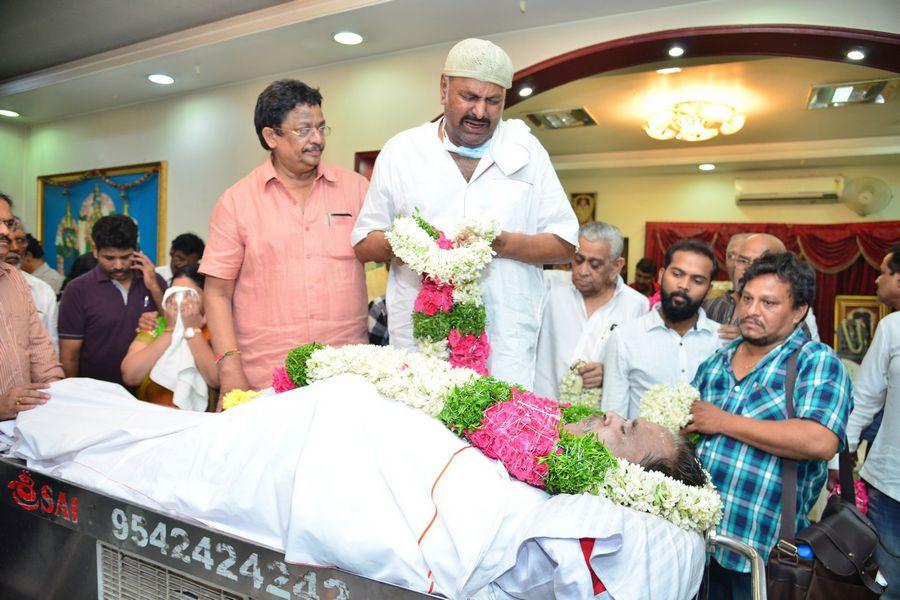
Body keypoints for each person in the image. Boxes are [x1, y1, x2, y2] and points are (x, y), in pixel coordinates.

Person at [351, 38, 579, 388]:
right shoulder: (402, 152)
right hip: (421, 339)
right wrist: (415, 247)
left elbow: (564, 243)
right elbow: (364, 243)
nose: (480, 113)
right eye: (469, 97)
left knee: (497, 435)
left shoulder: (528, 152)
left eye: (493, 101)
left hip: (505, 340)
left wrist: (500, 244)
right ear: (443, 88)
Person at [688, 252, 851, 598]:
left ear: (798, 312)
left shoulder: (815, 361)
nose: (751, 310)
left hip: (767, 554)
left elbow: (820, 439)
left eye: (769, 303)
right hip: (701, 544)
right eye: (746, 298)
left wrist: (723, 422)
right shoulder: (716, 362)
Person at [201, 79, 369, 393]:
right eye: (303, 130)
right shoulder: (236, 202)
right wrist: (230, 367)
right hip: (266, 377)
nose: (317, 139)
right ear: (271, 136)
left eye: (321, 127)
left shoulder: (357, 190)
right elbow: (217, 294)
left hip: (349, 373)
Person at [601, 239, 721, 418]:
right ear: (660, 276)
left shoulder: (722, 341)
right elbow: (612, 414)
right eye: (677, 274)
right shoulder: (625, 337)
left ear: (709, 290)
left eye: (697, 280)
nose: (684, 285)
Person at [841, 245, 900, 598]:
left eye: (884, 271)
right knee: (887, 588)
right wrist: (841, 458)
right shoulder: (892, 328)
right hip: (891, 485)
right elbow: (864, 397)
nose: (877, 278)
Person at [535, 222, 649, 400]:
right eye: (578, 260)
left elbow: (639, 366)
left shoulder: (637, 305)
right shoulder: (548, 284)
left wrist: (609, 372)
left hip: (597, 420)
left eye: (595, 264)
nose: (583, 271)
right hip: (542, 408)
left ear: (617, 265)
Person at [58, 215, 167, 386]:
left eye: (125, 257)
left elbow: (175, 328)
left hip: (148, 391)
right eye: (109, 258)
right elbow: (69, 355)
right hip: (97, 392)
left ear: (136, 250)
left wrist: (153, 286)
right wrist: (73, 394)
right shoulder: (77, 290)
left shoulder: (155, 282)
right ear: (95, 250)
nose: (118, 266)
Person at [0, 193, 63, 420]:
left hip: (20, 430)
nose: (6, 232)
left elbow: (39, 349)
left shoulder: (15, 278)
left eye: (8, 223)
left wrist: (53, 391)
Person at [121, 263, 218, 410]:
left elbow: (215, 379)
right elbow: (131, 376)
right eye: (174, 294)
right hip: (154, 415)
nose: (180, 301)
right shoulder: (155, 325)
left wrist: (192, 329)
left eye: (188, 295)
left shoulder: (216, 329)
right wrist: (171, 330)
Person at [705, 233, 819, 341]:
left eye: (760, 263)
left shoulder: (795, 320)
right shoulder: (708, 307)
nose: (749, 269)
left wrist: (752, 340)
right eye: (743, 261)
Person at [3, 218, 59, 352]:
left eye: (20, 240)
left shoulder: (42, 291)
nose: (15, 248)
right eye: (7, 240)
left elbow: (51, 352)